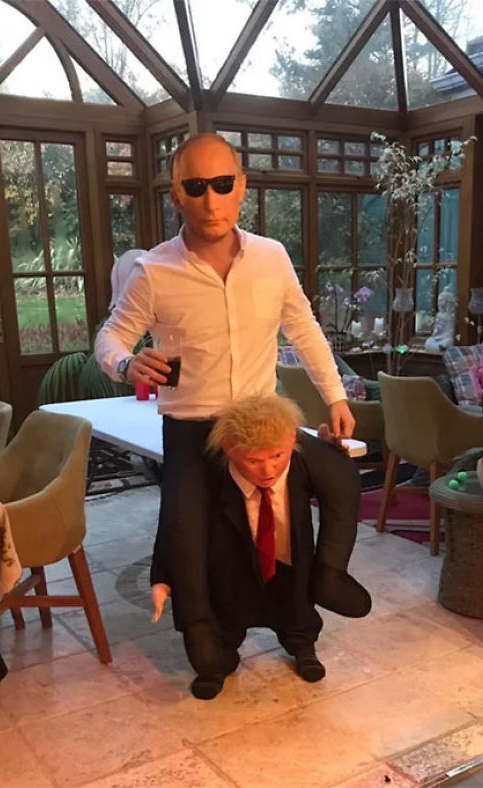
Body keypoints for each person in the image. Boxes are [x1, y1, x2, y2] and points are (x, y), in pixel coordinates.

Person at [95, 133, 367, 673]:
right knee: (190, 539)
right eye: (196, 187)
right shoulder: (153, 270)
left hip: (262, 424)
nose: (211, 200)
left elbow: (304, 329)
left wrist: (335, 395)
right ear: (177, 195)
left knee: (315, 502)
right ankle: (207, 637)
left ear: (242, 186)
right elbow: (111, 336)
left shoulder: (271, 257)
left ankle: (312, 607)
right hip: (192, 431)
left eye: (222, 184)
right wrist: (126, 364)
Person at [152, 395, 368, 700]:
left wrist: (331, 574)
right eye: (254, 461)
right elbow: (179, 520)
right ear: (229, 449)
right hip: (233, 560)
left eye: (277, 456)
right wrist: (163, 574)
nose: (267, 470)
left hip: (288, 555)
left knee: (295, 603)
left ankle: (302, 644)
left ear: (291, 439)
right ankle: (220, 657)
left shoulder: (303, 464)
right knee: (226, 608)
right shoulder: (210, 474)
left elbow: (341, 487)